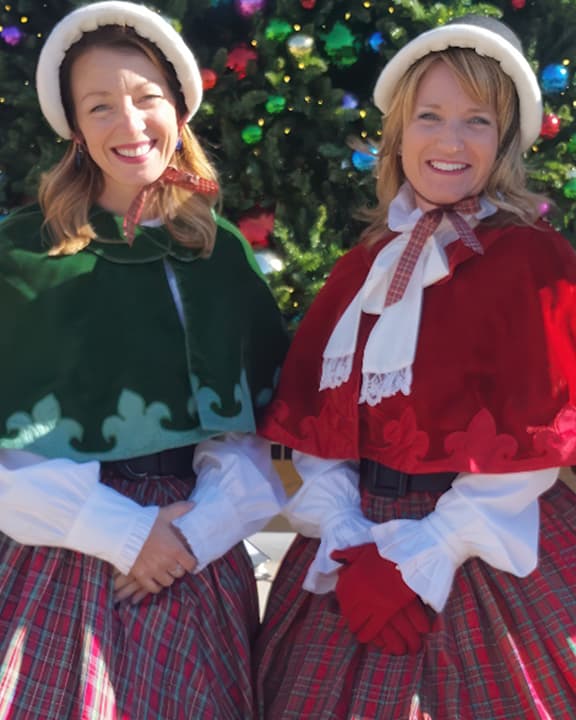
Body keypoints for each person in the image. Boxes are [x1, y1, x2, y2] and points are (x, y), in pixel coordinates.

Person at [254, 14, 576, 720]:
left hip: (477, 551)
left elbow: (532, 448)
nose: (450, 140)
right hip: (357, 540)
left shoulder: (531, 260)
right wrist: (345, 540)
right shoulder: (362, 268)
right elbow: (319, 427)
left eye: (477, 121)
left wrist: (418, 560)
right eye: (429, 116)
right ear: (399, 133)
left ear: (508, 139)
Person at [0, 2, 288, 718]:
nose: (129, 125)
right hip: (61, 558)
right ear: (73, 126)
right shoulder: (22, 255)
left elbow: (252, 436)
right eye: (100, 106)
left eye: (146, 98)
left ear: (179, 108)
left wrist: (188, 537)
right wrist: (123, 535)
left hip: (194, 551)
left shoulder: (218, 253)